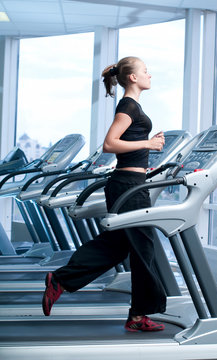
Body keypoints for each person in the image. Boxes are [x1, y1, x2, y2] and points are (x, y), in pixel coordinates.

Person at [42, 56, 167, 332]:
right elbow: (110, 143)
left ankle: (61, 280)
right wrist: (149, 142)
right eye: (145, 71)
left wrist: (147, 149)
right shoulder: (128, 105)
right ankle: (138, 316)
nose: (150, 75)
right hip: (128, 187)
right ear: (132, 77)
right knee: (143, 248)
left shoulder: (132, 106)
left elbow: (128, 143)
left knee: (118, 245)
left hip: (130, 183)